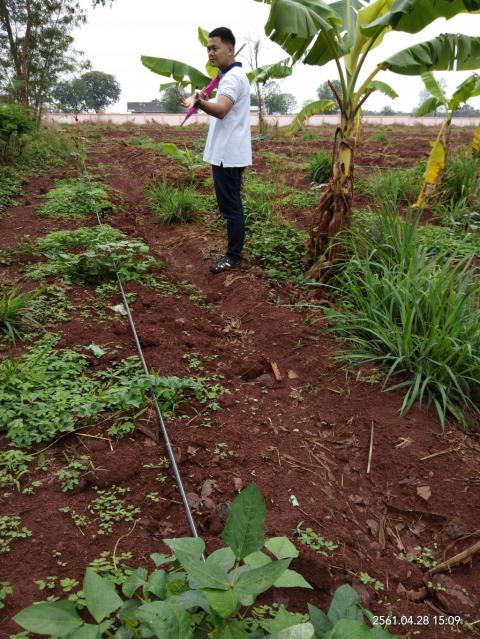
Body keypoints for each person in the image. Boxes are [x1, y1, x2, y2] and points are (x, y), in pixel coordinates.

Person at [181, 27, 252, 274]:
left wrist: (199, 102)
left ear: (230, 49)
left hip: (227, 155)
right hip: (228, 153)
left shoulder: (232, 78)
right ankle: (234, 253)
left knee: (231, 207)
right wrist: (202, 98)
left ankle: (233, 256)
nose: (211, 53)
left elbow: (221, 110)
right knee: (231, 205)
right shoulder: (229, 76)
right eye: (208, 49)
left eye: (215, 48)